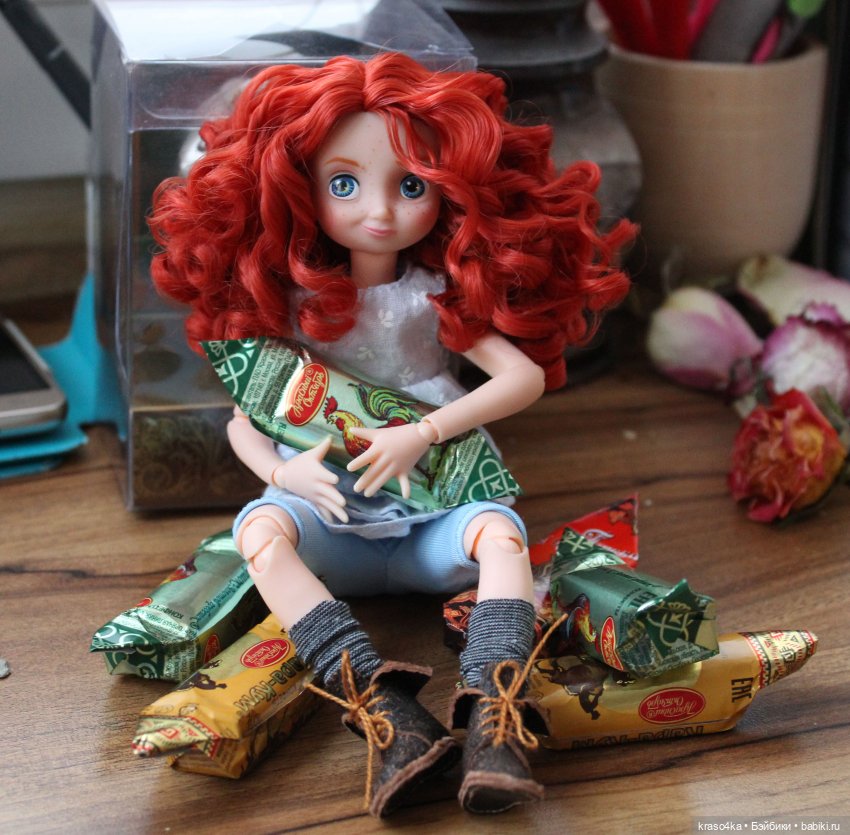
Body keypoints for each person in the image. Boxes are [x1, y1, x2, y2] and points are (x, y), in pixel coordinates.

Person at [148, 51, 633, 817]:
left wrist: (424, 431)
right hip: (332, 525)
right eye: (344, 184)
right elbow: (247, 420)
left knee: (500, 534)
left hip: (431, 523)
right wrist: (282, 475)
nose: (379, 212)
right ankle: (383, 709)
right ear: (296, 188)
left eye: (411, 186)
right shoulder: (299, 306)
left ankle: (496, 709)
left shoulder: (433, 298)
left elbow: (523, 379)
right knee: (260, 532)